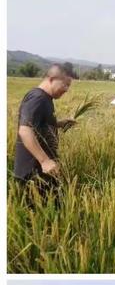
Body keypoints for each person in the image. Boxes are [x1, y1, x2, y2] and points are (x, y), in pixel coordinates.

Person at [13, 63, 76, 197]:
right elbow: (25, 130)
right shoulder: (38, 98)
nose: (66, 89)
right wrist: (45, 161)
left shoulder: (46, 99)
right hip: (33, 173)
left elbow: (37, 124)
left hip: (43, 171)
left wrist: (59, 124)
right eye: (65, 84)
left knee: (55, 210)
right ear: (52, 79)